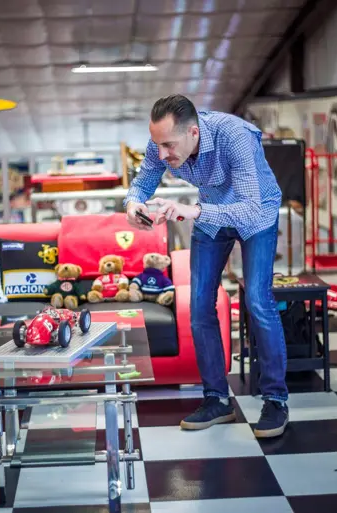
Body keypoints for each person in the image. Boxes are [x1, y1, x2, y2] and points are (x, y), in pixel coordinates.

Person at [124, 94, 289, 438]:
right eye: (157, 145)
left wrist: (192, 211)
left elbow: (248, 209)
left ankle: (275, 400)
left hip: (255, 213)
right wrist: (132, 204)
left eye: (169, 145)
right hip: (212, 213)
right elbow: (141, 183)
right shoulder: (162, 142)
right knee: (199, 307)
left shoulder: (235, 137)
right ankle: (216, 399)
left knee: (258, 301)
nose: (162, 154)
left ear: (194, 133)